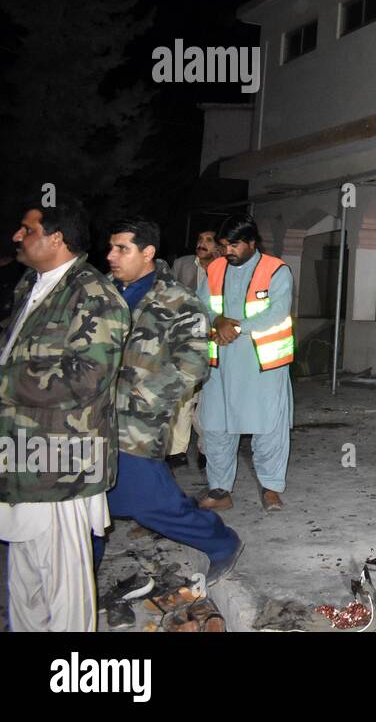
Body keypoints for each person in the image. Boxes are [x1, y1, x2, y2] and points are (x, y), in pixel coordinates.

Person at [0, 199, 130, 631]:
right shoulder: (31, 285)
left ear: (56, 238)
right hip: (22, 453)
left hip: (62, 460)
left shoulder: (92, 294)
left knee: (62, 583)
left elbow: (86, 378)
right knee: (24, 574)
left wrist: (5, 381)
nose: (18, 236)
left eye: (27, 229)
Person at [94, 218, 241, 595]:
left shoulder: (176, 300)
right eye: (110, 247)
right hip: (89, 417)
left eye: (121, 248)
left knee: (148, 499)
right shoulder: (102, 293)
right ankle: (80, 573)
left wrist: (142, 396)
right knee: (87, 504)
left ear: (147, 253)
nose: (111, 256)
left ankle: (220, 541)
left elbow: (193, 363)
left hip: (136, 421)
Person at [197, 215, 295, 511]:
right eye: (225, 244)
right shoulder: (214, 269)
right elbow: (200, 304)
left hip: (262, 364)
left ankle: (271, 488)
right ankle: (219, 490)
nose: (228, 251)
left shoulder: (276, 270)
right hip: (220, 362)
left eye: (235, 245)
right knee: (216, 426)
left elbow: (277, 313)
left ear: (252, 243)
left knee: (268, 428)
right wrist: (217, 320)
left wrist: (235, 326)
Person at [169, 228, 219, 469]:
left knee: (209, 398)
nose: (202, 243)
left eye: (209, 240)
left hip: (216, 341)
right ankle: (177, 451)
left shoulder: (226, 269)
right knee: (185, 396)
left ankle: (206, 449)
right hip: (186, 338)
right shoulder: (181, 264)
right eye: (200, 239)